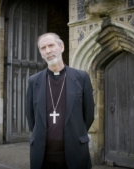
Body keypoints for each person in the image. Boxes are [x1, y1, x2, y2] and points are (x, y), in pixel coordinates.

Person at [25, 32, 95, 169]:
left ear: (61, 47)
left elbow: (89, 115)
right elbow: (31, 117)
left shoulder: (81, 77)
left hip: (75, 153)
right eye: (43, 48)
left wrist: (76, 132)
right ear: (41, 53)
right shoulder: (34, 81)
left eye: (51, 45)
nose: (48, 51)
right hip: (42, 155)